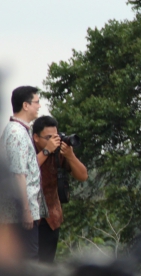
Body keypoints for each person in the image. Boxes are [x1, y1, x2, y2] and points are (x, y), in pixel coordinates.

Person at [32, 116, 88, 263]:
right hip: (28, 217)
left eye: (55, 137)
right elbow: (24, 170)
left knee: (45, 265)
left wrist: (70, 155)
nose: (53, 141)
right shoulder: (26, 148)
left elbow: (83, 175)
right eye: (48, 138)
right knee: (26, 266)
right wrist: (45, 151)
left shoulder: (58, 153)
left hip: (50, 218)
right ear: (36, 137)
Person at [0, 86, 46, 259]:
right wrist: (26, 210)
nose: (39, 106)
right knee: (28, 259)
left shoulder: (21, 130)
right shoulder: (16, 133)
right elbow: (19, 174)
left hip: (22, 212)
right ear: (25, 105)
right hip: (17, 215)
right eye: (36, 102)